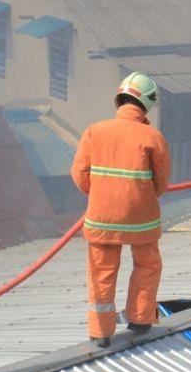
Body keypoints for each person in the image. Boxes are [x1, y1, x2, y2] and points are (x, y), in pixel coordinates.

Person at [71, 72, 170, 348]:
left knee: (101, 271)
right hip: (142, 219)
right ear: (147, 102)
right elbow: (161, 182)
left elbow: (80, 174)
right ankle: (140, 319)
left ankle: (101, 332)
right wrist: (140, 197)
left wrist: (102, 194)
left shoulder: (94, 131)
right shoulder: (153, 136)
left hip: (102, 217)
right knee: (148, 264)